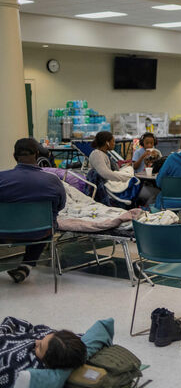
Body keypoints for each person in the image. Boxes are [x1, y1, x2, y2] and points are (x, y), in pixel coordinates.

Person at [0, 138, 66, 283]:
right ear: (37, 154)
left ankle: (25, 267)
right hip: (40, 232)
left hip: (4, 233)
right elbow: (60, 206)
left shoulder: (1, 178)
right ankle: (26, 265)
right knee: (47, 223)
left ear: (14, 156)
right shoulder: (53, 180)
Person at [0, 316, 86, 387]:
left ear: (48, 362)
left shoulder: (24, 367)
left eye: (40, 348)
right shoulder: (59, 342)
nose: (36, 341)